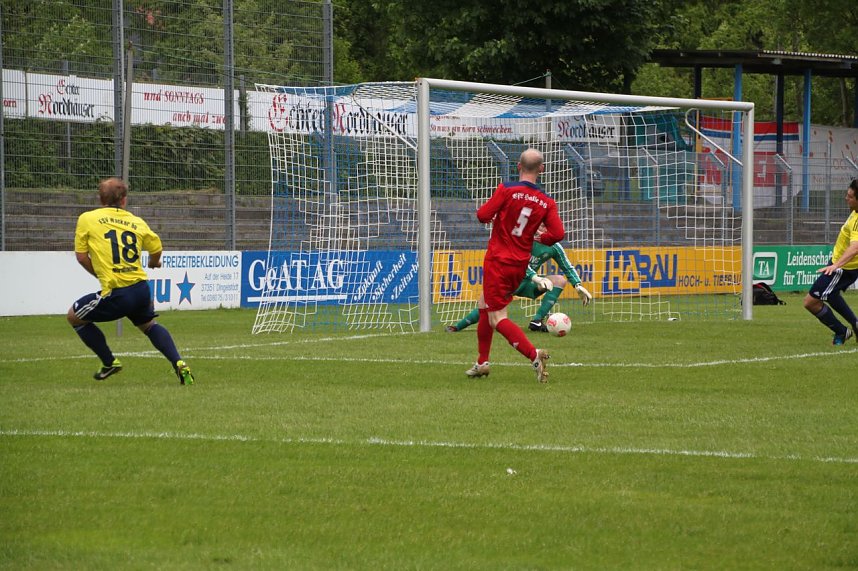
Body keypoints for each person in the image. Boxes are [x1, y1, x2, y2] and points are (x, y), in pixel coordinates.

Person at [67, 177, 195, 384]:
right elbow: (156, 248)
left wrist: (102, 275)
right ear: (124, 200)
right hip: (140, 289)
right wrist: (154, 263)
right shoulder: (136, 221)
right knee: (149, 325)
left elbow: (82, 257)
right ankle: (179, 363)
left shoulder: (87, 219)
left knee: (74, 317)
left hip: (117, 292)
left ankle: (109, 362)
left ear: (100, 199)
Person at [466, 148, 565, 382]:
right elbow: (558, 233)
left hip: (498, 261)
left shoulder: (506, 190)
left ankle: (534, 355)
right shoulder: (546, 201)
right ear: (541, 169)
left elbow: (482, 215)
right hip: (520, 264)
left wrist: (497, 215)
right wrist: (542, 238)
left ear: (518, 167)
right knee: (484, 303)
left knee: (497, 317)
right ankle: (482, 363)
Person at [446, 228, 591, 333]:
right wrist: (536, 277)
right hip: (509, 281)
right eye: (541, 226)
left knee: (559, 280)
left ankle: (537, 320)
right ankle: (457, 327)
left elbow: (567, 266)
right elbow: (519, 263)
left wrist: (577, 285)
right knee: (487, 306)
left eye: (547, 227)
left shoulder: (554, 246)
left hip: (529, 284)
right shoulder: (521, 240)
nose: (542, 230)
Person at [804, 178, 858, 346]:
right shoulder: (855, 211)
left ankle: (842, 331)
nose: (846, 198)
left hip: (843, 268)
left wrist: (836, 265)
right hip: (840, 265)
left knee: (810, 302)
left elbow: (855, 247)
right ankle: (851, 327)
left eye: (850, 196)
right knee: (831, 295)